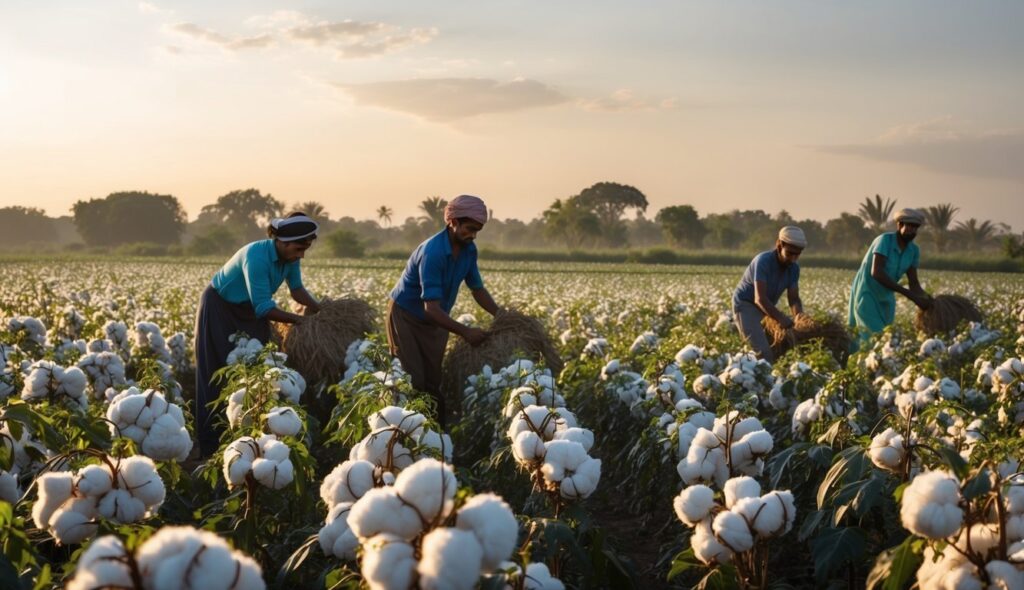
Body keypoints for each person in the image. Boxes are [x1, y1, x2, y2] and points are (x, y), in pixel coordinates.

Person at [193, 212, 321, 457]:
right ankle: (210, 446)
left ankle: (251, 439)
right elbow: (264, 307)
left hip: (250, 311)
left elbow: (296, 290)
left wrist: (320, 310)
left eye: (305, 249)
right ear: (282, 242)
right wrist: (299, 320)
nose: (301, 255)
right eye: (298, 249)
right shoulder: (256, 257)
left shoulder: (290, 258)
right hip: (221, 308)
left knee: (259, 369)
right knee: (215, 372)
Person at [387, 194, 500, 428]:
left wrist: (502, 316)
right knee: (412, 380)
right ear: (453, 222)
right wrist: (466, 332)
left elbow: (477, 289)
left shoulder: (469, 251)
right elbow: (430, 307)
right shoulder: (433, 253)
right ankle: (405, 432)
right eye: (470, 229)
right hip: (406, 316)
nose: (473, 235)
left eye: (478, 230)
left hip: (436, 319)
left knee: (433, 381)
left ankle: (436, 434)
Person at [848, 207, 932, 343]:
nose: (913, 230)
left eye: (916, 227)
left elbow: (914, 283)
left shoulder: (913, 251)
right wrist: (908, 294)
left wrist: (928, 300)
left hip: (886, 298)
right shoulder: (884, 241)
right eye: (910, 226)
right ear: (899, 225)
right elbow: (877, 272)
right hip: (867, 294)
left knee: (886, 337)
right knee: (873, 338)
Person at [732, 226, 806, 363]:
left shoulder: (794, 268)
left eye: (797, 254)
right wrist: (781, 318)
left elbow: (794, 299)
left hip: (766, 308)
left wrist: (799, 320)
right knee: (763, 353)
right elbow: (759, 299)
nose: (793, 258)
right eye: (790, 253)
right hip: (746, 305)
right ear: (779, 245)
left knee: (779, 349)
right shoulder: (763, 261)